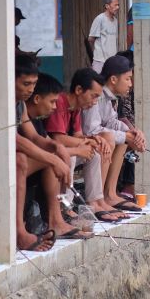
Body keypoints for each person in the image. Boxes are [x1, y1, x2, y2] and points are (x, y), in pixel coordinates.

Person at [13, 59, 91, 249]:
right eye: (26, 84)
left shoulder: (20, 104)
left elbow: (34, 136)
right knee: (23, 159)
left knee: (53, 154)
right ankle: (19, 231)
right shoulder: (3, 101)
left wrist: (57, 148)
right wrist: (52, 158)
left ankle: (56, 220)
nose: (31, 89)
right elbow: (15, 139)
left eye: (33, 83)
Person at [45, 68, 127, 223]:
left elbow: (77, 135)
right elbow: (58, 138)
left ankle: (96, 201)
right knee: (73, 155)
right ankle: (66, 207)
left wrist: (93, 139)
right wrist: (85, 143)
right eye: (93, 96)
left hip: (63, 148)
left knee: (94, 154)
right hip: (52, 151)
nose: (95, 101)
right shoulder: (61, 102)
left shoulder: (76, 108)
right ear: (78, 90)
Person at [81, 55, 147, 207]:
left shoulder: (110, 97)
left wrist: (132, 132)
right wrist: (125, 135)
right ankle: (98, 200)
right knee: (110, 138)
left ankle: (109, 193)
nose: (131, 84)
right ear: (113, 80)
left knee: (123, 138)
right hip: (84, 142)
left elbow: (111, 121)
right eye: (128, 79)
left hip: (95, 140)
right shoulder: (96, 95)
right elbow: (92, 129)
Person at [87, 0, 120, 73]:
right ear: (107, 6)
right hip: (100, 61)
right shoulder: (100, 19)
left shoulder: (115, 20)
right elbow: (91, 39)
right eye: (115, 5)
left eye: (118, 5)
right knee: (99, 83)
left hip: (112, 60)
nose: (118, 7)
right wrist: (98, 53)